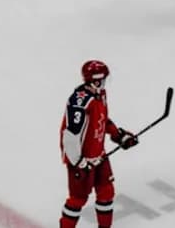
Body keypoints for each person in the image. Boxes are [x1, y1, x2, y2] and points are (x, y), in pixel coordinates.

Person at [59, 60, 138, 228]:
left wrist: (119, 136)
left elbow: (102, 120)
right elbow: (70, 136)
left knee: (106, 192)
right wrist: (79, 162)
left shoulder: (100, 95)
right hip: (81, 160)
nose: (104, 83)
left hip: (98, 155)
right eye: (103, 80)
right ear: (95, 80)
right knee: (78, 199)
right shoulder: (79, 103)